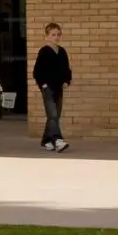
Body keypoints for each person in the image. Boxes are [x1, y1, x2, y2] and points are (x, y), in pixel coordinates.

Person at [33, 22, 73, 152]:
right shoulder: (44, 52)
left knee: (55, 116)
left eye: (58, 34)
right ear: (47, 36)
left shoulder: (62, 52)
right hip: (48, 88)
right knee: (53, 114)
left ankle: (46, 140)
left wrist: (67, 80)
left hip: (58, 88)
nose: (56, 37)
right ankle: (57, 140)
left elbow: (66, 69)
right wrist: (43, 85)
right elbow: (37, 71)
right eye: (53, 35)